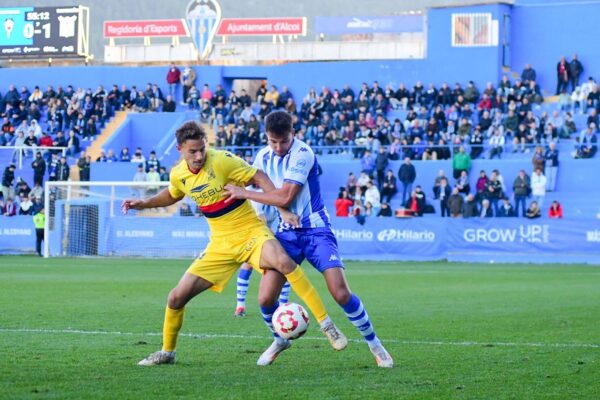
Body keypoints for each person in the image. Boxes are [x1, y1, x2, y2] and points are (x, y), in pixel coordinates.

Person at [123, 121, 345, 367]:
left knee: (284, 261)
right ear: (179, 149)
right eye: (192, 151)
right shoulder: (179, 174)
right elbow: (172, 194)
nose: (199, 156)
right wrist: (143, 203)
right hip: (220, 243)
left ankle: (327, 325)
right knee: (176, 297)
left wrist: (282, 209)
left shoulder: (222, 160)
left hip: (251, 232)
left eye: (202, 149)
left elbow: (258, 176)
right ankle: (167, 352)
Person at [223, 111, 393, 368]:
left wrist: (242, 192)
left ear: (293, 134)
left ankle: (375, 344)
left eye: (283, 141)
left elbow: (284, 197)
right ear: (266, 137)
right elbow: (272, 194)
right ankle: (280, 339)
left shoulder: (303, 154)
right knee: (265, 299)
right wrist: (277, 212)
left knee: (340, 292)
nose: (278, 147)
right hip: (286, 234)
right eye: (273, 141)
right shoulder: (262, 156)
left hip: (316, 231)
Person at [234, 197, 291, 317]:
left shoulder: (276, 200)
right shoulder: (257, 201)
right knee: (248, 264)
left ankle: (283, 306)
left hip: (264, 233)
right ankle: (240, 306)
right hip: (251, 232)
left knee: (283, 265)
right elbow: (262, 225)